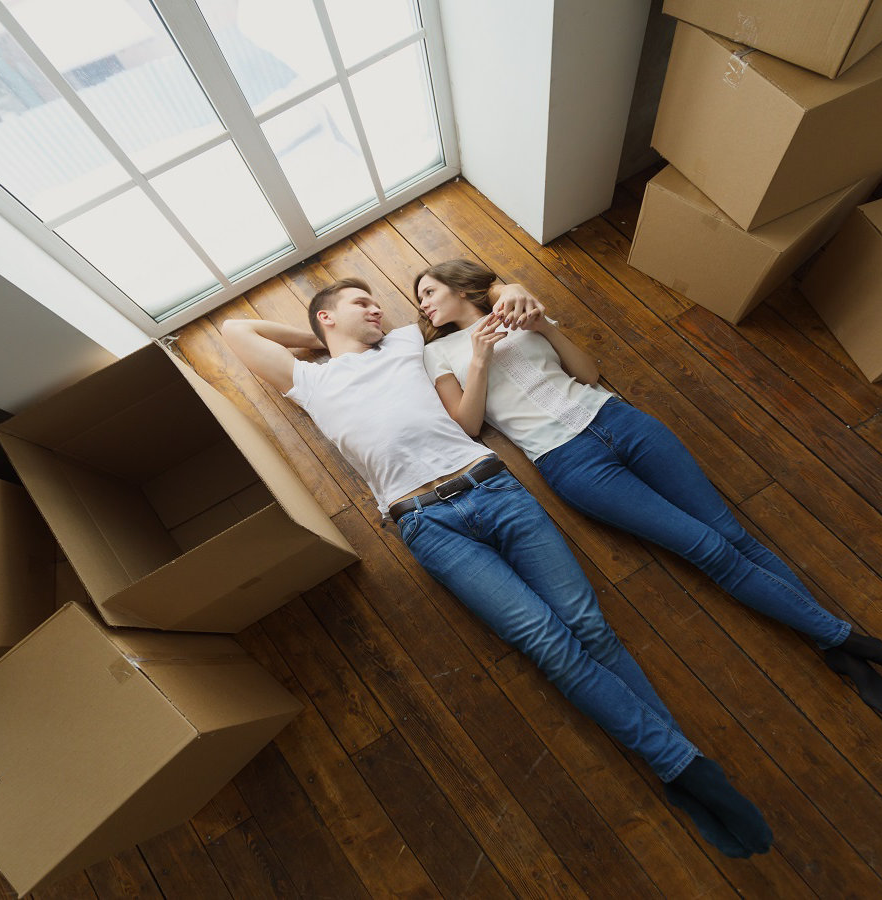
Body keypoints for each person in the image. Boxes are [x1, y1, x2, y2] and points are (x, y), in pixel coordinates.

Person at [222, 278, 773, 859]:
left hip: (494, 490)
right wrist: (314, 338)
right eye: (360, 303)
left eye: (376, 300)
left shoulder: (410, 341)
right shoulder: (308, 379)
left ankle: (680, 770)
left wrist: (509, 285)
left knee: (588, 628)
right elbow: (237, 330)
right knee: (548, 644)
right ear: (326, 318)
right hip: (426, 523)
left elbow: (494, 290)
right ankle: (685, 768)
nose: (377, 307)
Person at [414, 259, 882, 716]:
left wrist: (546, 328)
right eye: (419, 301)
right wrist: (480, 356)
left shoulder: (516, 305)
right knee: (708, 548)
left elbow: (588, 373)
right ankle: (854, 641)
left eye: (429, 291)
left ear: (463, 285)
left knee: (734, 537)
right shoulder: (439, 354)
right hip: (569, 461)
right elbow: (468, 423)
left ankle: (836, 646)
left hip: (620, 420)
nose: (424, 305)